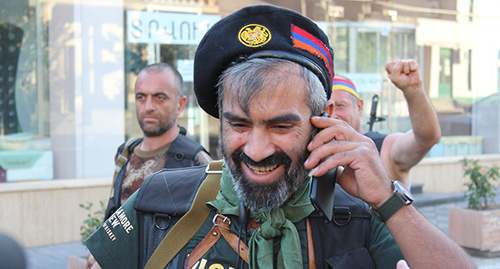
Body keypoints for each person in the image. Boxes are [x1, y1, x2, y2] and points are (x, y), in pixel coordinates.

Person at [86, 5, 475, 269]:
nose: (256, 150)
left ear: (321, 122)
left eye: (280, 126)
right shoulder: (159, 202)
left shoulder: (360, 219)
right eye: (239, 125)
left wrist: (388, 200)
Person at [104, 63, 212, 219]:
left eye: (159, 97)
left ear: (180, 105)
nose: (148, 107)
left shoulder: (196, 161)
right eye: (141, 97)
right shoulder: (125, 152)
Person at [330, 62, 441, 188]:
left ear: (360, 107)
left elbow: (425, 138)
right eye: (326, 108)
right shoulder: (310, 151)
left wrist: (413, 90)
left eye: (340, 105)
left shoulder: (384, 148)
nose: (332, 115)